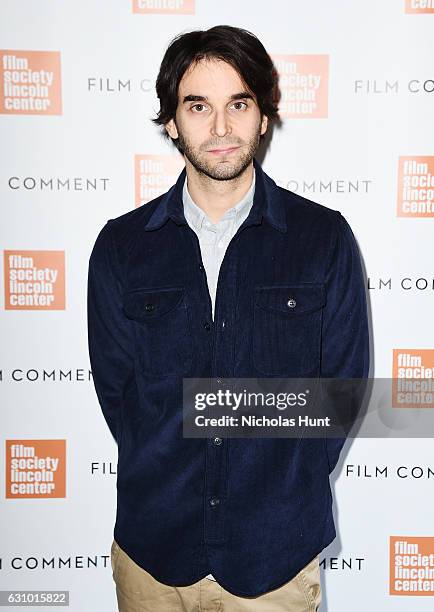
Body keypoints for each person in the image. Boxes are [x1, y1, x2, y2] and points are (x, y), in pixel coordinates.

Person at [87, 25, 370, 612]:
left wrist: (283, 482)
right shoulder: (121, 247)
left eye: (238, 104)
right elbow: (120, 396)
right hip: (154, 553)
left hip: (277, 555)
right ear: (171, 121)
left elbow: (342, 392)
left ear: (263, 116)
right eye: (198, 106)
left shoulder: (322, 239)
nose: (220, 129)